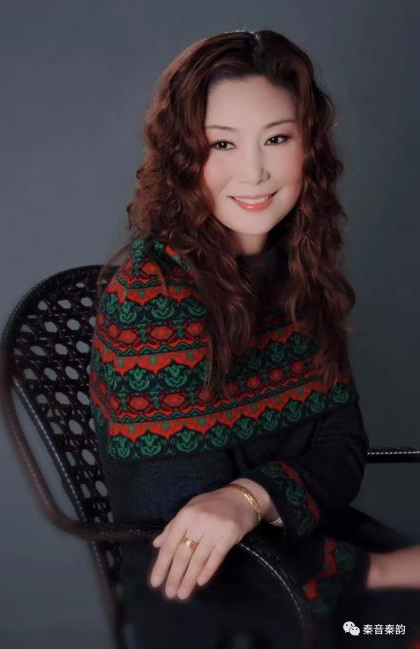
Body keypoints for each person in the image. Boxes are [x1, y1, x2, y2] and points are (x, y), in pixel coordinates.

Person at [89, 29, 420, 649]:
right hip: (222, 602)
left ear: (309, 146)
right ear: (183, 157)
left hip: (312, 553)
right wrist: (386, 571)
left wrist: (250, 497)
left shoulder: (300, 275)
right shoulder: (153, 298)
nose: (255, 171)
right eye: (222, 143)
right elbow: (188, 531)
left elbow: (343, 448)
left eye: (277, 138)